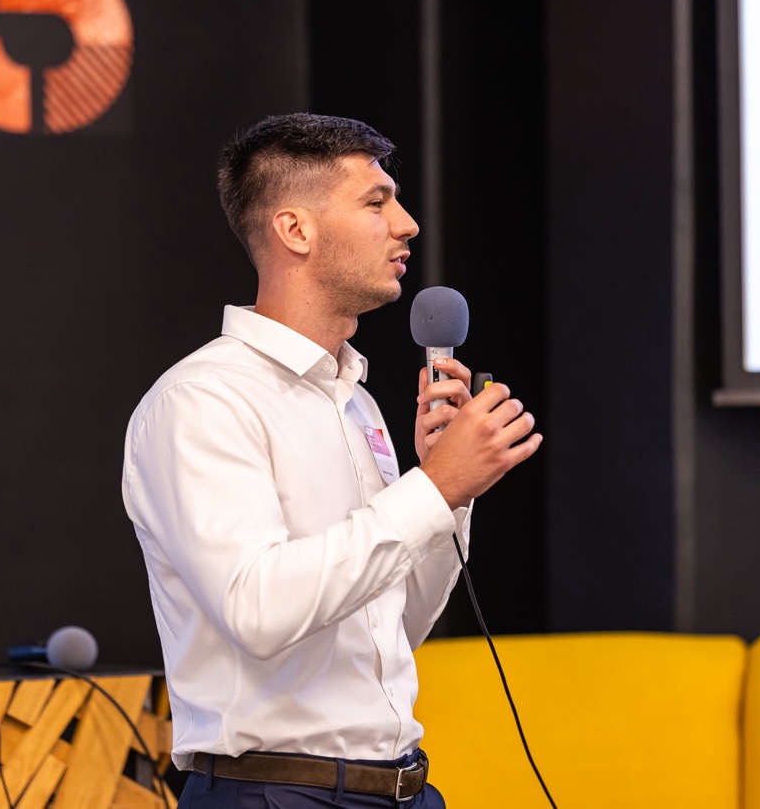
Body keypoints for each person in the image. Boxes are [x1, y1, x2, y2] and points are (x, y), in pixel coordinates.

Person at [122, 112, 542, 807]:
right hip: (276, 793)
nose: (407, 225)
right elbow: (257, 610)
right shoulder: (203, 399)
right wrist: (432, 487)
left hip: (402, 786)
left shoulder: (356, 403)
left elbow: (394, 625)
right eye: (376, 203)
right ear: (295, 230)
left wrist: (452, 495)